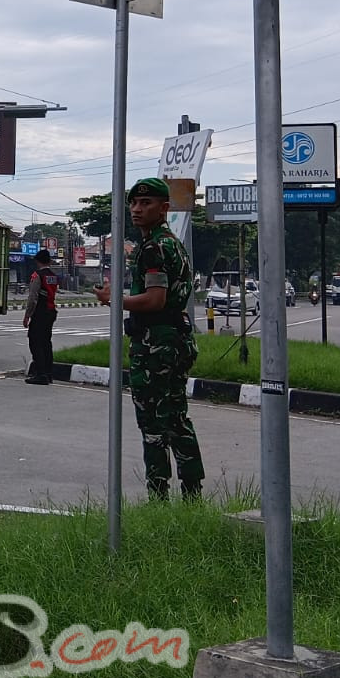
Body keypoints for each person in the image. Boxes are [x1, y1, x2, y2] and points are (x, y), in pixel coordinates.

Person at [93, 177, 204, 501]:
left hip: (157, 344)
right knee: (176, 419)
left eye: (146, 203)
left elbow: (155, 299)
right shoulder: (171, 243)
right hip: (174, 339)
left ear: (164, 208)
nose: (137, 209)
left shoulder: (155, 247)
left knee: (153, 424)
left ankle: (158, 497)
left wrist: (114, 299)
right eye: (134, 203)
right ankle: (192, 495)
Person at [23, 249, 60, 384]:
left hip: (40, 312)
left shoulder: (37, 275)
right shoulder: (53, 276)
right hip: (51, 311)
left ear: (38, 261)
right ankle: (48, 374)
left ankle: (41, 374)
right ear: (49, 261)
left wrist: (27, 315)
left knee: (35, 342)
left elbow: (33, 297)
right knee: (46, 343)